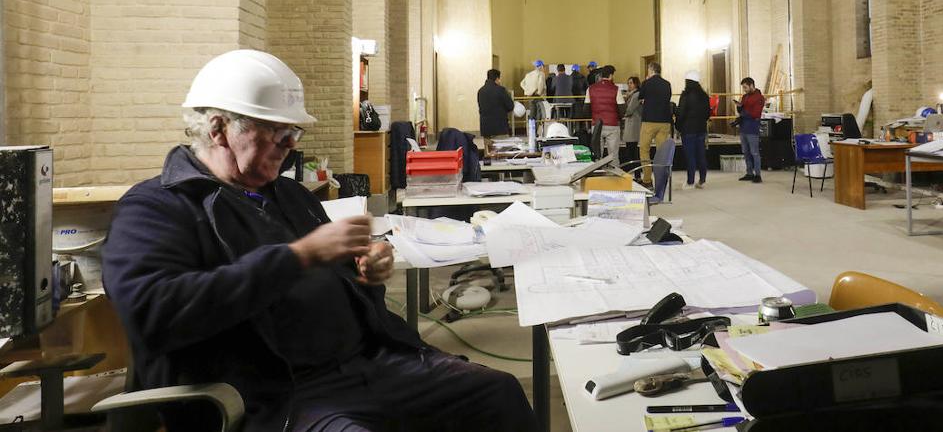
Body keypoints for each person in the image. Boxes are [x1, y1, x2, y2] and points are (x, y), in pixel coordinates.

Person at [102, 50, 535, 432]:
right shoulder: (158, 208)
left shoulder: (288, 194)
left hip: (368, 364)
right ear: (218, 128)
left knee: (496, 394)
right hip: (275, 392)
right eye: (276, 132)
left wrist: (369, 271)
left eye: (295, 133)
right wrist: (300, 255)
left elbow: (341, 275)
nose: (289, 147)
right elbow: (153, 313)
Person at [636, 61, 672, 187]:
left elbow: (640, 97)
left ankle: (647, 180)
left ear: (651, 70)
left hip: (649, 121)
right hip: (664, 122)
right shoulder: (667, 84)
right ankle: (661, 181)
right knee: (661, 152)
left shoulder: (647, 83)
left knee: (644, 150)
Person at [676, 70, 712, 189]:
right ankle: (702, 180)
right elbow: (708, 113)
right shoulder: (704, 96)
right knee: (701, 155)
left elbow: (680, 113)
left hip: (688, 130)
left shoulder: (685, 95)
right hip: (701, 129)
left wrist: (678, 126)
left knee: (690, 156)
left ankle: (690, 181)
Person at [586, 64, 624, 163]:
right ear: (611, 75)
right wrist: (618, 119)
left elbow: (586, 109)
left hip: (597, 124)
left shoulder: (590, 89)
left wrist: (593, 118)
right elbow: (622, 109)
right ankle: (614, 177)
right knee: (613, 156)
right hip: (612, 125)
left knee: (597, 155)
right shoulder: (616, 89)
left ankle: (598, 176)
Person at [736, 76, 765, 183]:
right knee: (746, 152)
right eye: (743, 88)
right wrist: (739, 107)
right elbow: (741, 111)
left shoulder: (759, 98)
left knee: (755, 152)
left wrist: (744, 111)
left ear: (752, 85)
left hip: (752, 128)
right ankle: (749, 173)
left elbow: (756, 114)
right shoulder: (745, 97)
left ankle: (758, 175)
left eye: (745, 87)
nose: (744, 90)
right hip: (743, 128)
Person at [478, 68, 514, 138]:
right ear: (497, 78)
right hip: (500, 128)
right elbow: (510, 106)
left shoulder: (480, 91)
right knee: (502, 148)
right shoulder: (500, 90)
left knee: (488, 148)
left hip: (485, 128)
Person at [620, 76, 643, 173]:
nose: (629, 85)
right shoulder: (631, 95)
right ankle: (634, 173)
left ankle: (636, 174)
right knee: (631, 150)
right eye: (628, 83)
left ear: (636, 84)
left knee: (632, 151)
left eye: (631, 83)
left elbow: (629, 110)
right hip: (631, 124)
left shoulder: (636, 95)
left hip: (634, 124)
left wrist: (621, 112)